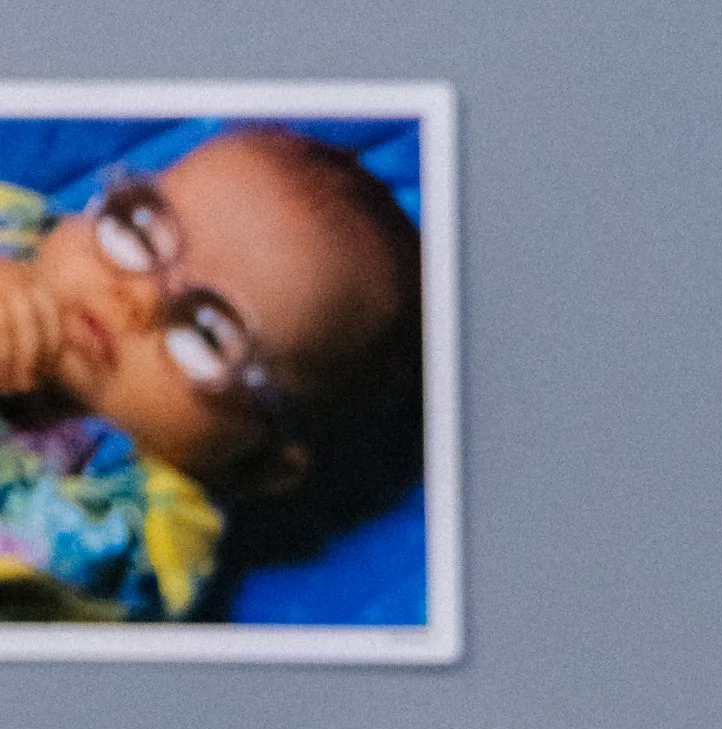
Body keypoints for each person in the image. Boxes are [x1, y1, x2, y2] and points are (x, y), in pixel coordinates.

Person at [0, 127, 422, 623]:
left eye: (207, 334)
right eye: (138, 230)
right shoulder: (22, 231)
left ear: (254, 465)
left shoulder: (136, 535)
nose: (135, 297)